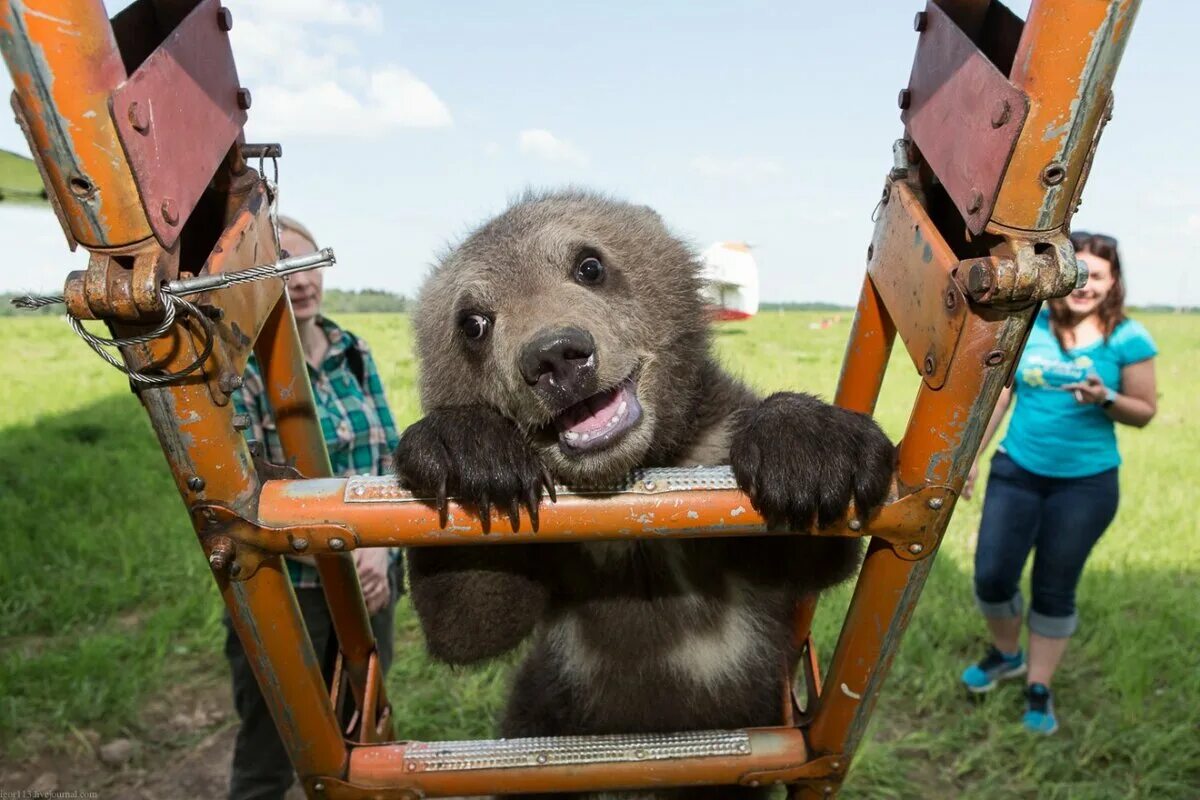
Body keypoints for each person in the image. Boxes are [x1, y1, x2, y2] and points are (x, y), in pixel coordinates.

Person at [224, 216, 403, 800]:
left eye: (306, 267)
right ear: (255, 280)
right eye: (283, 268)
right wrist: (336, 544)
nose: (299, 283)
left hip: (370, 572)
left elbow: (393, 458)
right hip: (290, 583)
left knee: (364, 728)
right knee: (272, 743)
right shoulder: (241, 373)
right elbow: (245, 494)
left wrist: (379, 546)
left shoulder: (354, 351)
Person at [958, 231, 1158, 734]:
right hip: (1017, 471)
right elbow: (1001, 397)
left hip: (1085, 487)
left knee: (1054, 588)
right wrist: (971, 458)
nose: (1085, 286)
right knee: (992, 577)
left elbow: (1144, 412)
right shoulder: (1030, 325)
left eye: (1098, 276)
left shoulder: (1129, 338)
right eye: (1079, 274)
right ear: (1063, 277)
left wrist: (1105, 397)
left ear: (1113, 283)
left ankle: (1039, 687)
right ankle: (1007, 655)